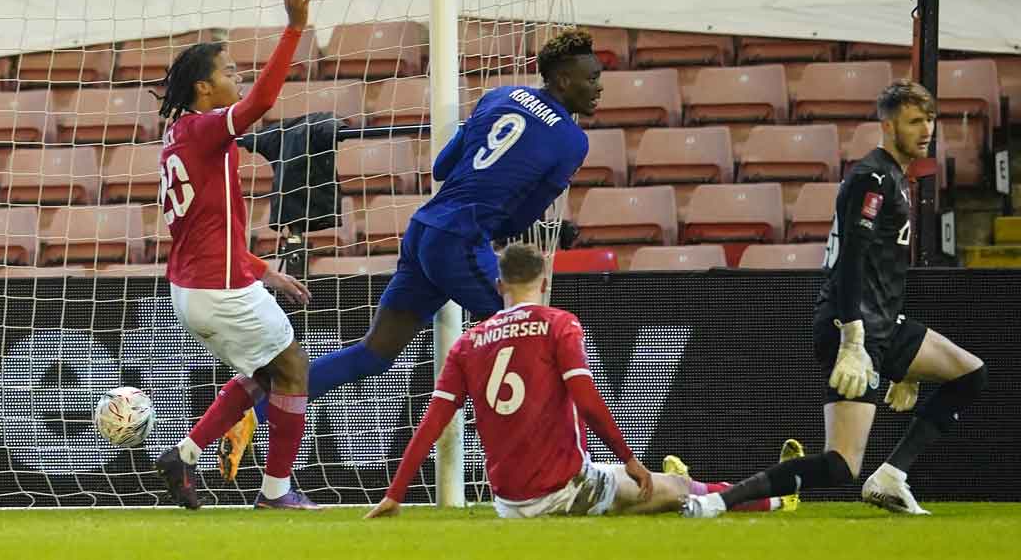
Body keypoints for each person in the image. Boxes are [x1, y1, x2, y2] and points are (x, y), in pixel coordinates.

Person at [218, 29, 602, 480]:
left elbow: (442, 166)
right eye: (591, 79)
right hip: (461, 240)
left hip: (424, 230)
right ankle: (559, 469)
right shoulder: (572, 141)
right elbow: (519, 218)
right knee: (533, 337)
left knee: (374, 352)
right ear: (562, 80)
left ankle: (253, 414)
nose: (599, 88)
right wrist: (515, 217)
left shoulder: (499, 96)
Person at [683, 80, 988, 518]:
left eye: (929, 120)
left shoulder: (896, 178)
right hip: (853, 325)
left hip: (884, 324)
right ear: (888, 126)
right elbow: (850, 262)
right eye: (914, 121)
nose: (926, 130)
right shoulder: (873, 177)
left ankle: (891, 477)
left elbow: (882, 270)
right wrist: (852, 339)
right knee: (840, 465)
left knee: (970, 374)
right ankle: (716, 500)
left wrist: (906, 367)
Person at [365, 244, 786, 519]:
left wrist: (395, 493)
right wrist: (629, 457)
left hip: (508, 502)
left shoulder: (467, 342)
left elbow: (432, 423)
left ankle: (680, 479)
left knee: (644, 480)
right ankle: (774, 497)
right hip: (565, 490)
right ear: (545, 282)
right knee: (675, 492)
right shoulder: (558, 323)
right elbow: (587, 402)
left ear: (499, 285)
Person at [153, 0, 320, 510]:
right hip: (217, 287)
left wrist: (263, 270)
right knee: (292, 368)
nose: (238, 78)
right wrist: (294, 29)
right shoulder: (206, 130)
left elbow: (206, 230)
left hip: (193, 286)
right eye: (228, 72)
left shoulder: (177, 137)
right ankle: (276, 493)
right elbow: (263, 100)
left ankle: (185, 454)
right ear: (204, 88)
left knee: (265, 372)